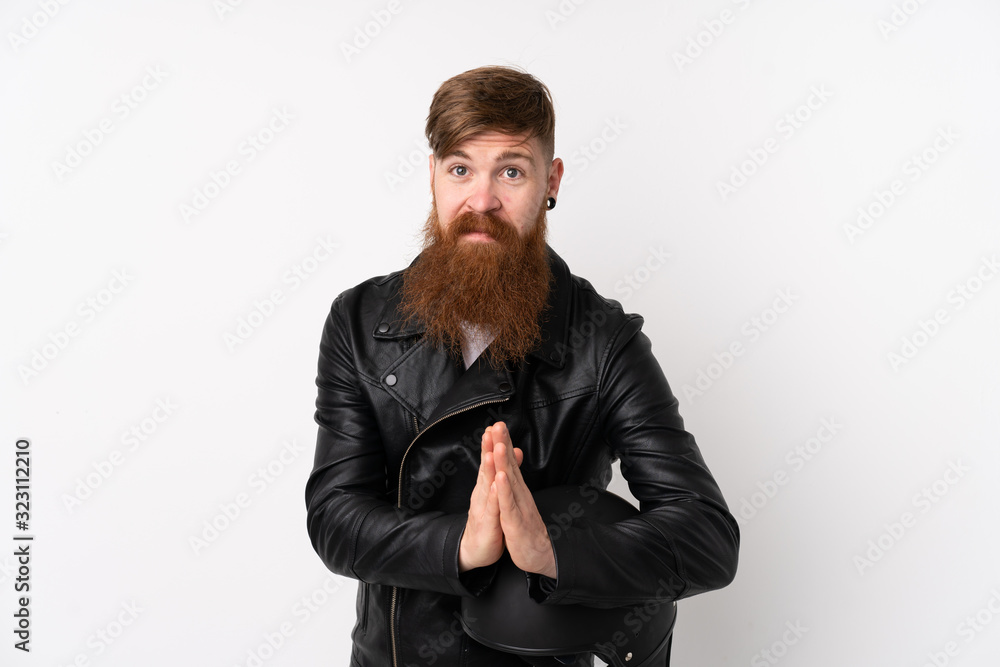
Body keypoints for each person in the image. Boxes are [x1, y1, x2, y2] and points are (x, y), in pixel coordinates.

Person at [305, 65, 739, 667]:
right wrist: (461, 545)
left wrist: (555, 553)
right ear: (433, 177)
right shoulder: (359, 320)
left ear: (550, 181)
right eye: (460, 169)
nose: (482, 201)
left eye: (511, 171)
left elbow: (707, 539)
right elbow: (334, 519)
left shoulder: (603, 341)